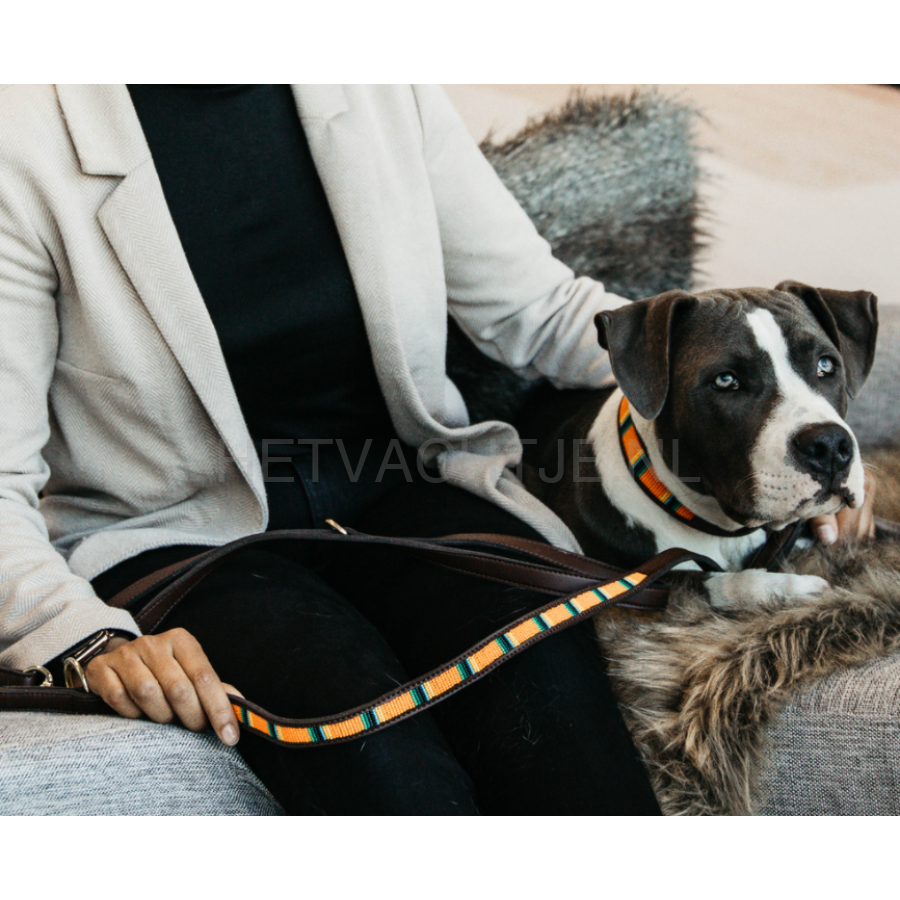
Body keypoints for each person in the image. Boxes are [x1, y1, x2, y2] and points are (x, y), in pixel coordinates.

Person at [0, 84, 874, 815]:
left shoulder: (378, 80)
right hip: (180, 539)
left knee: (572, 752)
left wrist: (797, 439)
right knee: (393, 781)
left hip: (402, 489)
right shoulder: (25, 136)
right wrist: (74, 637)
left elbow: (541, 313)